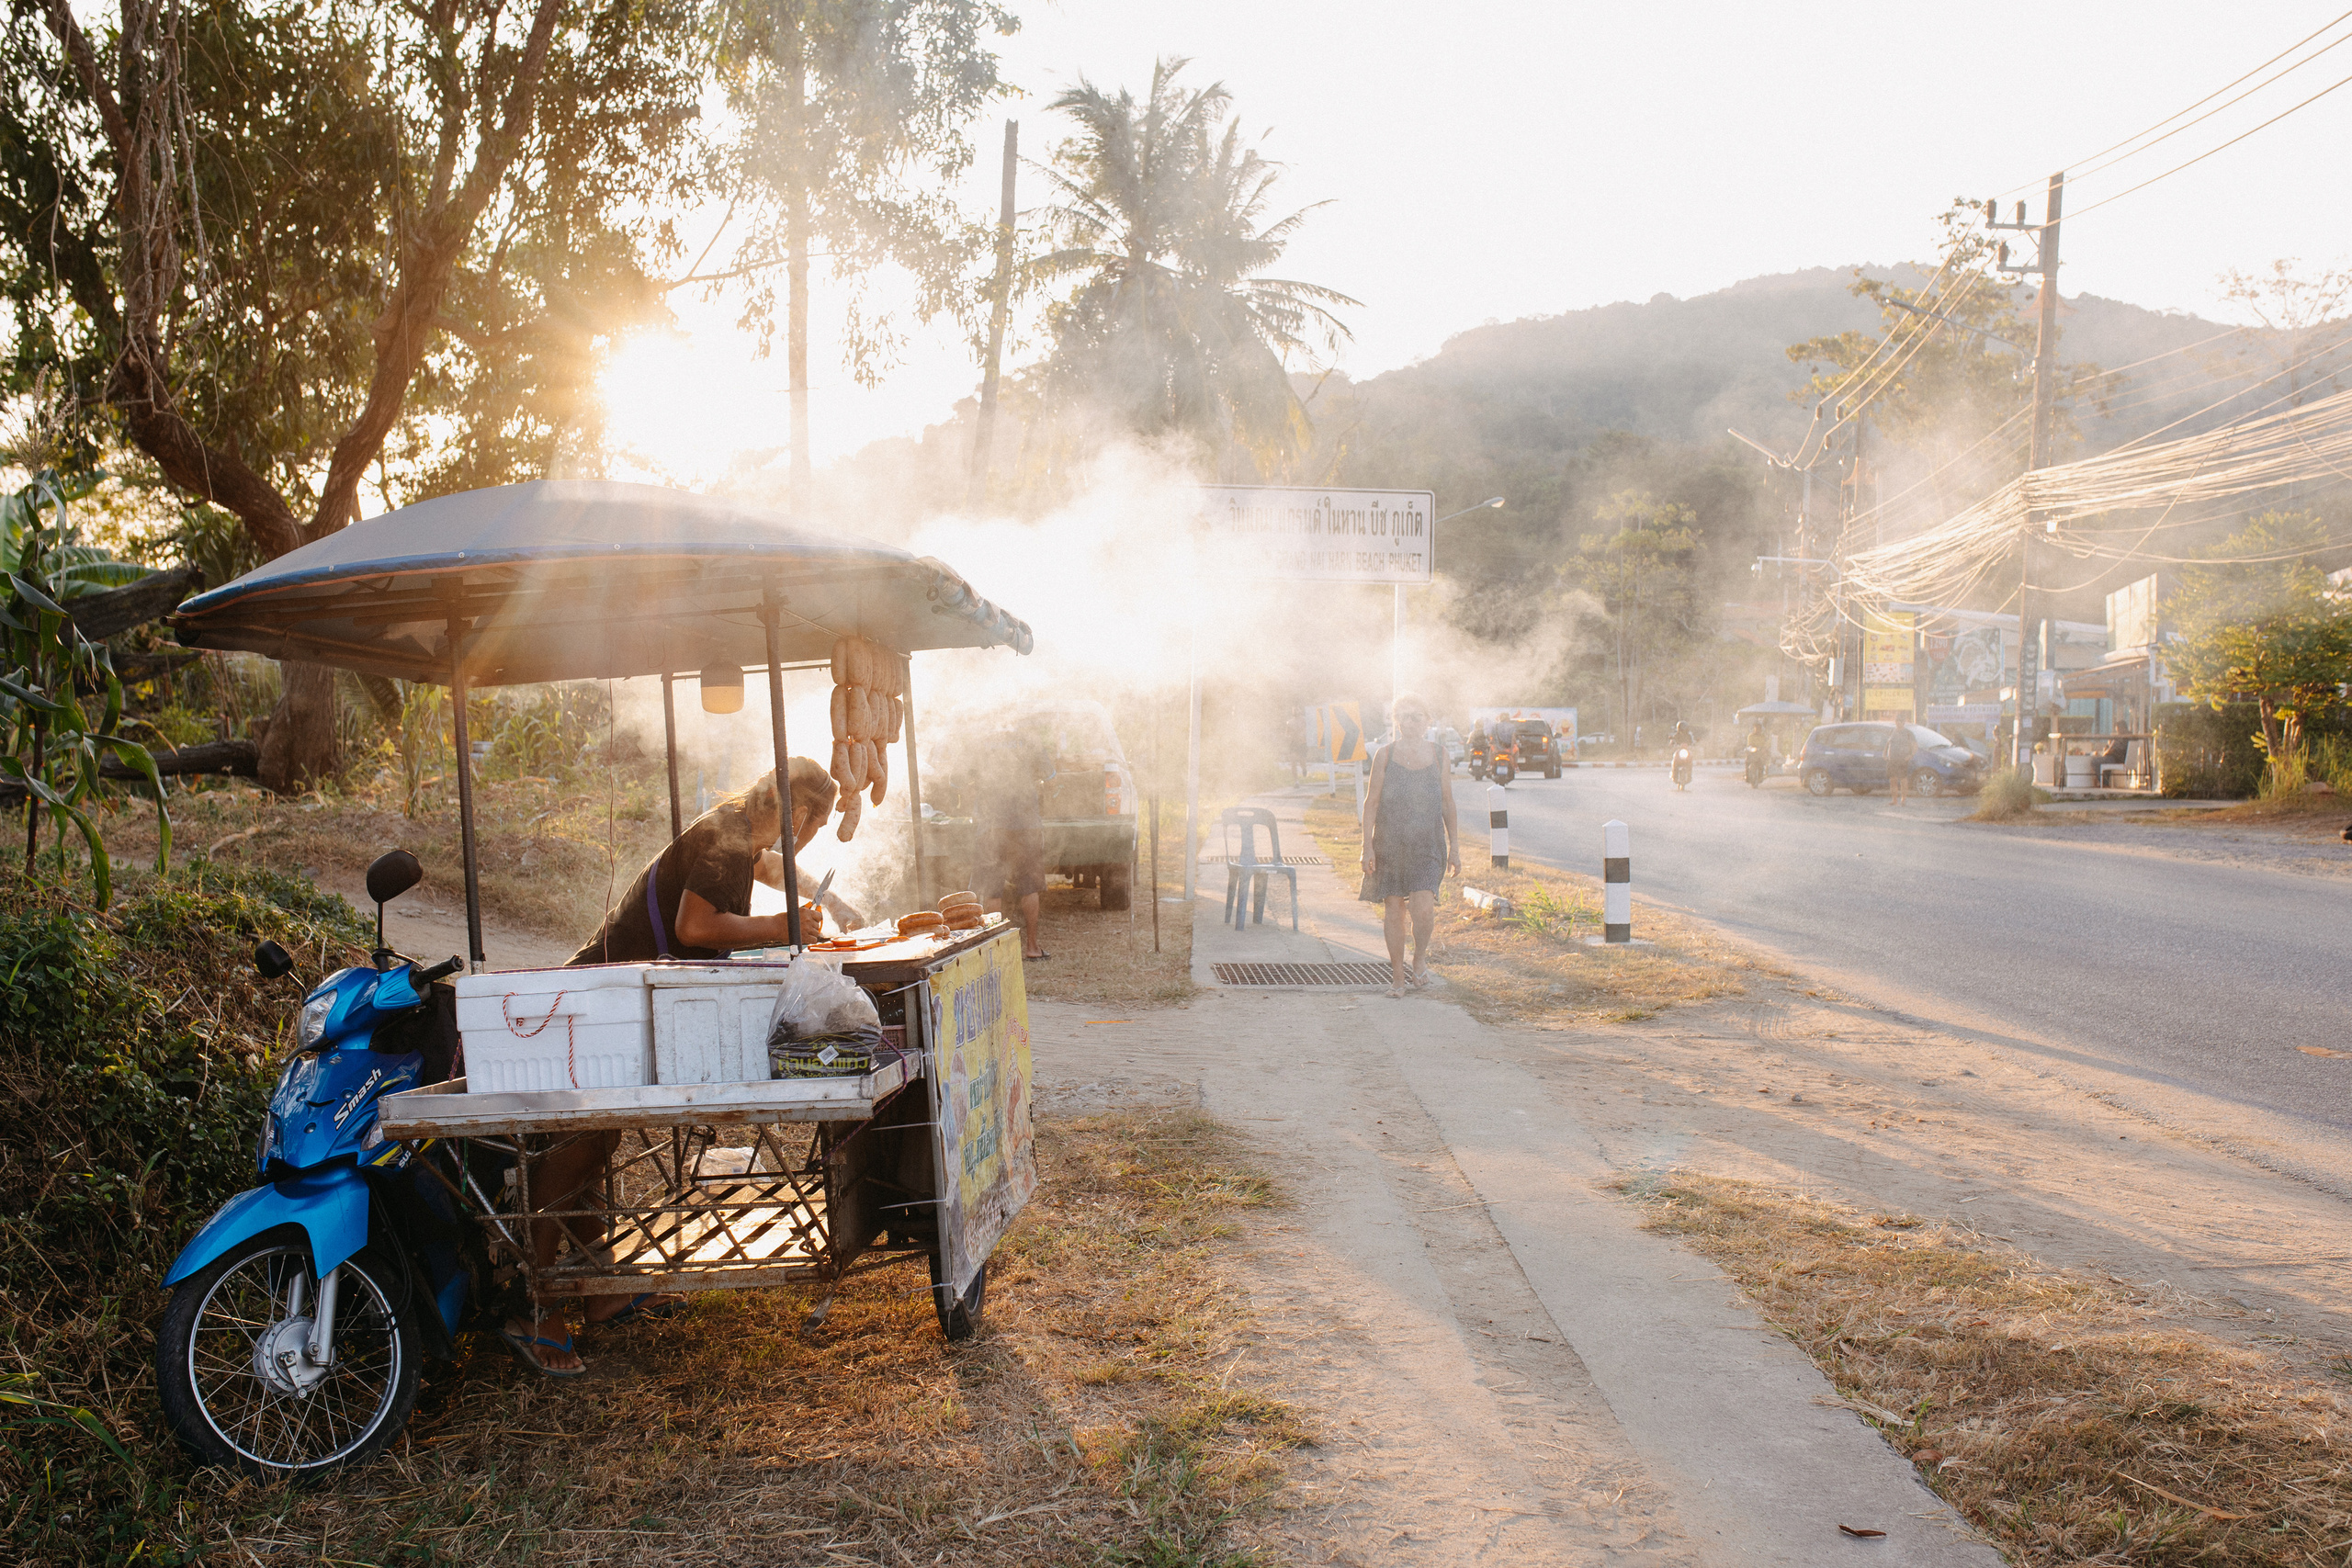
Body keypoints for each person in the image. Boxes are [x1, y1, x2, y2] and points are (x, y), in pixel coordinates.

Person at [503, 758, 837, 1377]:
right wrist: (783, 924)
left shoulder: (741, 831)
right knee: (579, 1142)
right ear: (801, 814)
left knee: (600, 1134)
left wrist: (829, 895)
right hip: (602, 997)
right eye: (818, 821)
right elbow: (695, 924)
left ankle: (598, 1292)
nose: (814, 834)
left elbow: (767, 866)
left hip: (616, 992)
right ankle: (533, 1301)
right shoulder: (725, 838)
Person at [1359, 694, 1461, 998]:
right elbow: (1371, 802)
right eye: (1404, 716)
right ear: (1397, 721)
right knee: (1393, 910)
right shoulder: (1384, 756)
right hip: (1389, 842)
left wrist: (1455, 845)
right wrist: (1367, 846)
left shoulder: (1440, 755)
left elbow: (1447, 802)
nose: (1411, 721)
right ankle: (1398, 977)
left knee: (1423, 909)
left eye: (1417, 716)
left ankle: (1418, 957)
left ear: (1428, 721)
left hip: (1427, 842)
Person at [978, 729, 1051, 961]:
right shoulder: (1031, 736)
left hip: (993, 824)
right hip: (1026, 823)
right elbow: (1050, 775)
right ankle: (1031, 947)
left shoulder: (983, 736)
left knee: (992, 886)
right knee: (1029, 885)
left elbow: (957, 780)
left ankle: (995, 950)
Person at [1886, 721, 1918, 805]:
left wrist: (1910, 755)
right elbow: (1888, 743)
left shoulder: (1908, 733)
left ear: (1903, 722)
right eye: (1897, 721)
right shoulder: (1892, 731)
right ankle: (1894, 800)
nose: (1898, 723)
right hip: (1892, 759)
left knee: (1903, 780)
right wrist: (1884, 753)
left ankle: (1903, 799)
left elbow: (1915, 746)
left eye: (1900, 721)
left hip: (1903, 759)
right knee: (1893, 780)